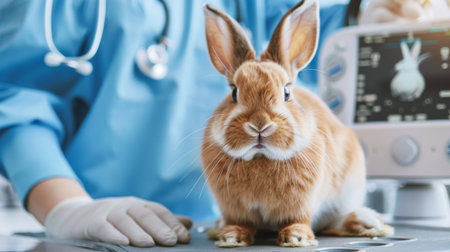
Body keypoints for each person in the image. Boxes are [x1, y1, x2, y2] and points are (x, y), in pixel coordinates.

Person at [0, 0, 437, 248]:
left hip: (215, 235)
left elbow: (282, 35)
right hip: (100, 226)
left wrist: (370, 12)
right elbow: (16, 98)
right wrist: (67, 208)